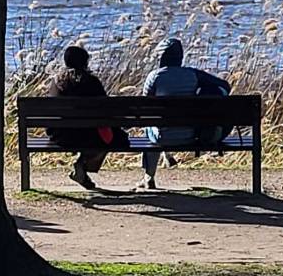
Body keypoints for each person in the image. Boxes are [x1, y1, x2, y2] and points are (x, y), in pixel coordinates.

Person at [138, 37, 231, 191]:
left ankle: (149, 177)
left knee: (150, 126)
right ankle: (166, 157)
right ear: (180, 56)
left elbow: (147, 106)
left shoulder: (154, 76)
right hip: (190, 134)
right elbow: (224, 86)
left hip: (162, 136)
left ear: (160, 57)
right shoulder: (192, 75)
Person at [46, 45, 127, 190]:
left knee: (104, 135)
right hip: (90, 136)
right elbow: (105, 109)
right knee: (118, 138)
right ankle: (83, 164)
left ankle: (82, 169)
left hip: (61, 136)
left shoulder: (56, 82)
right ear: (85, 62)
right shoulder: (92, 82)